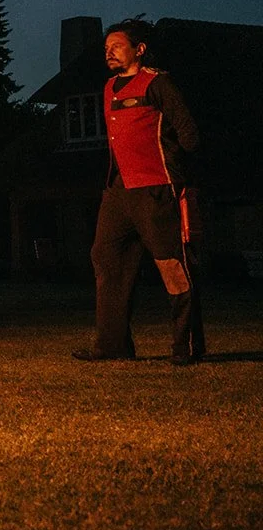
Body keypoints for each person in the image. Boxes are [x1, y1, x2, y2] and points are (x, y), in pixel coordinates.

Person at [74, 19, 204, 365]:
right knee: (106, 258)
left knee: (171, 264)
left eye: (117, 46)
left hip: (156, 189)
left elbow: (189, 134)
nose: (109, 53)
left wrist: (178, 174)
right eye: (106, 48)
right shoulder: (109, 88)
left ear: (139, 49)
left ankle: (187, 345)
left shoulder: (158, 83)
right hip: (119, 191)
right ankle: (111, 346)